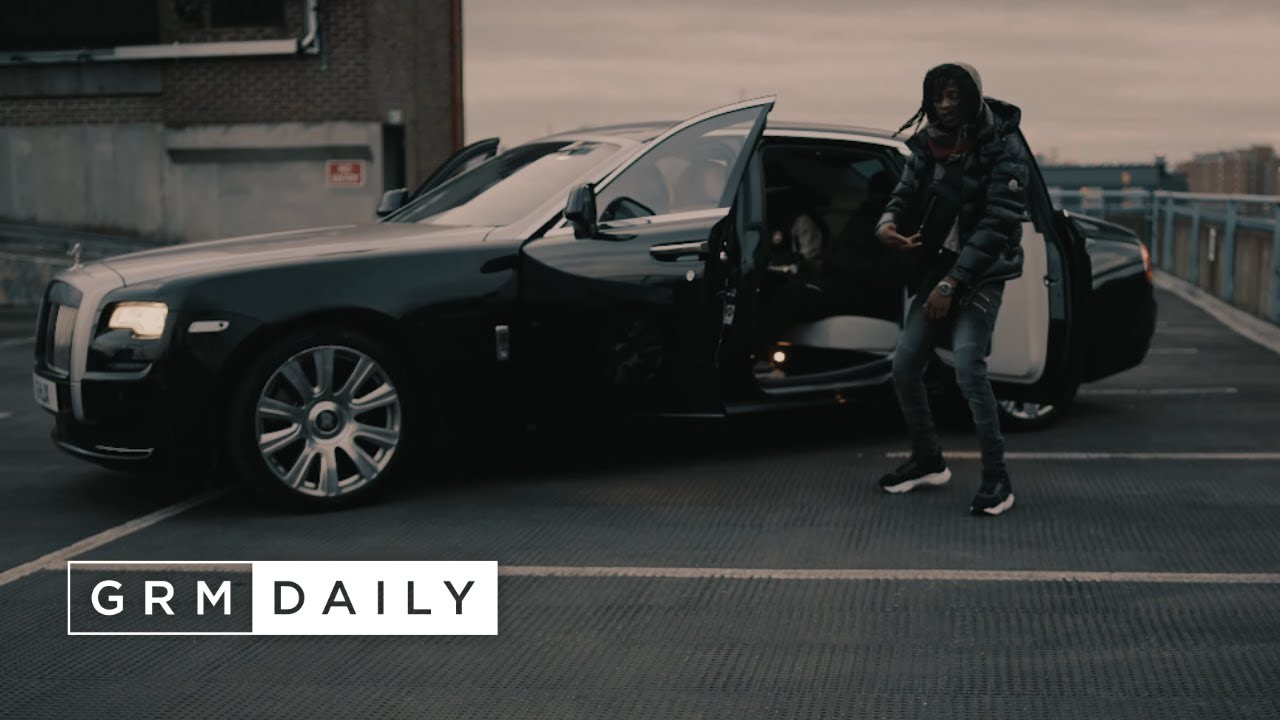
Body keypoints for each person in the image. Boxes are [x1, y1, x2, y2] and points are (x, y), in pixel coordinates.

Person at [874, 62, 1030, 517]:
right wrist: (887, 223)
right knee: (904, 365)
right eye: (938, 97)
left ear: (973, 98)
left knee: (967, 367)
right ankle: (928, 460)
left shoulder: (1004, 146)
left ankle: (997, 480)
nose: (945, 105)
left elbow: (998, 224)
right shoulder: (929, 142)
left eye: (954, 97)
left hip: (982, 273)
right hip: (938, 266)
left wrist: (951, 283)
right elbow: (905, 192)